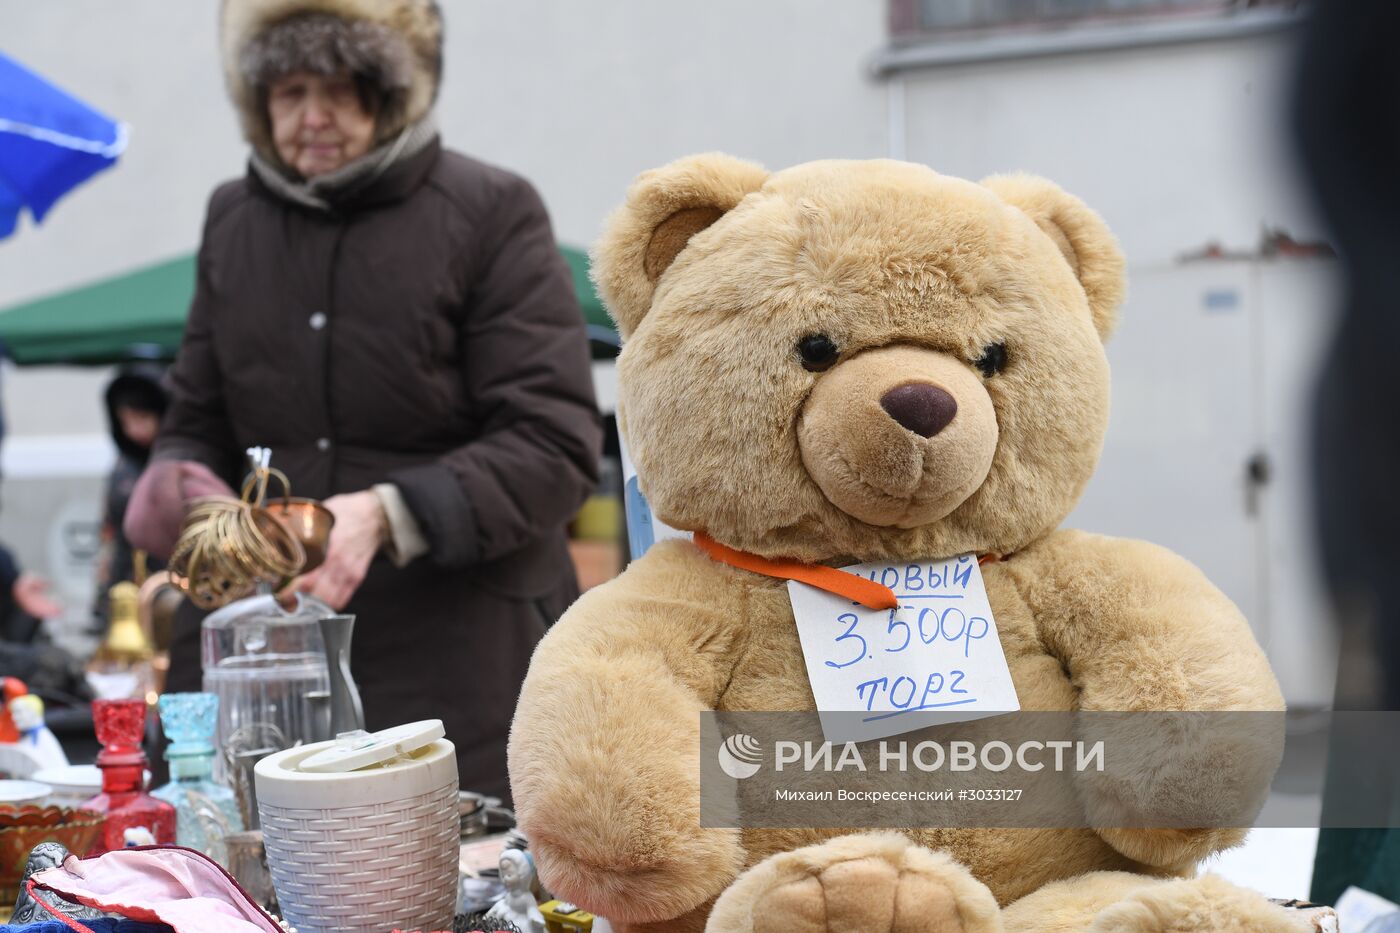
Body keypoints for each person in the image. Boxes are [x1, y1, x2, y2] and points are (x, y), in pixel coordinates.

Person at [126, 0, 601, 800]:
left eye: (342, 88)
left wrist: (388, 511)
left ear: (391, 92)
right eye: (288, 90)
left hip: (459, 672)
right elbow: (197, 420)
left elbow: (554, 443)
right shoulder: (231, 219)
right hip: (259, 672)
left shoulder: (491, 210)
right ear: (257, 99)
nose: (314, 117)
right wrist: (182, 480)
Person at [92, 363, 168, 627]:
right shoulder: (124, 466)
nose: (133, 430)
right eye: (125, 422)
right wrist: (107, 598)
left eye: (141, 418)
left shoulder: (178, 463)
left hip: (170, 587)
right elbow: (113, 538)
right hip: (129, 585)